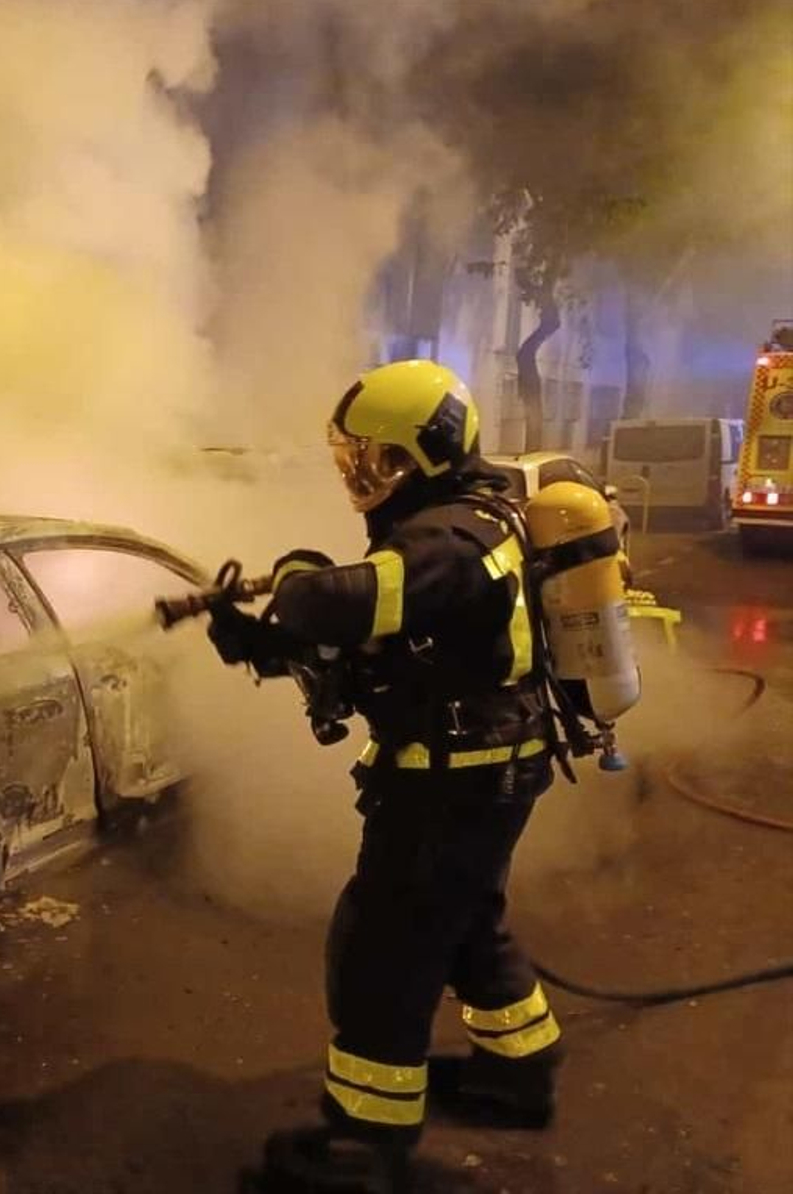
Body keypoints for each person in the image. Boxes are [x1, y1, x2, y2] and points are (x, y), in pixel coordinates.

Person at [209, 360, 564, 1194]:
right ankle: (521, 1071)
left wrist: (293, 591)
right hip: (478, 776)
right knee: (467, 923)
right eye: (353, 463)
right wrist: (265, 647)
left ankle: (365, 1144)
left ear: (433, 451)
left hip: (454, 783)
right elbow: (386, 643)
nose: (361, 480)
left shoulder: (453, 537)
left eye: (380, 461)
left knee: (382, 950)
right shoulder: (455, 514)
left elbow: (356, 603)